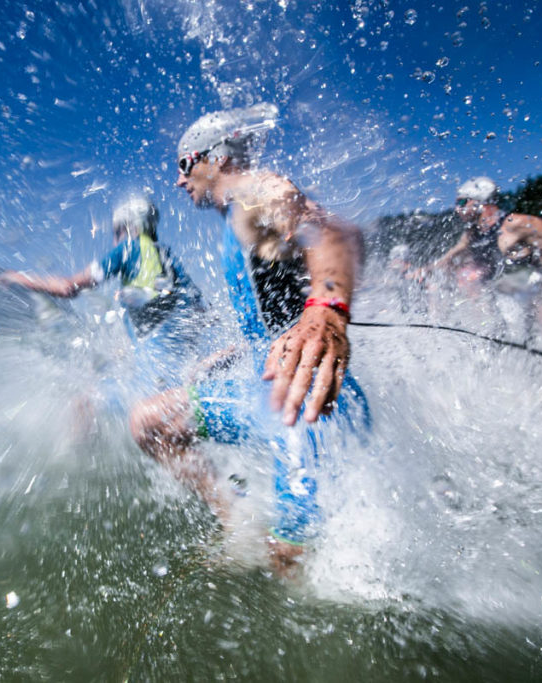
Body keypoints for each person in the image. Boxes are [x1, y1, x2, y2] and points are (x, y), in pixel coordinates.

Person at [128, 104, 371, 574]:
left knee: (292, 565)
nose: (179, 181)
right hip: (266, 392)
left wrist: (327, 312)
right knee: (150, 423)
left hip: (304, 406)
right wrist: (230, 353)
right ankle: (237, 522)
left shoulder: (254, 190)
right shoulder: (236, 218)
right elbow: (277, 310)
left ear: (216, 158)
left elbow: (337, 236)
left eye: (185, 165)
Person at [0, 195, 205, 389]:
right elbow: (199, 312)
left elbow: (68, 287)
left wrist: (19, 278)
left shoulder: (127, 249)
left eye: (116, 232)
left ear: (130, 227)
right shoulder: (167, 256)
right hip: (180, 368)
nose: (114, 241)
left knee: (85, 401)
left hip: (154, 373)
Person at [420, 177, 542, 342]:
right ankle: (485, 334)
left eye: (462, 202)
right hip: (506, 292)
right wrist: (423, 271)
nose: (457, 209)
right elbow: (451, 256)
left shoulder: (515, 224)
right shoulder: (472, 233)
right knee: (461, 281)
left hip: (535, 287)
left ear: (480, 201)